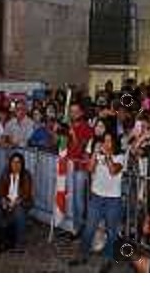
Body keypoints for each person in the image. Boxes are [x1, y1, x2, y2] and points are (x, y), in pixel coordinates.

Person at [69, 132, 124, 272]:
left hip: (113, 200)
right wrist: (94, 154)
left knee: (111, 232)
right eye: (104, 141)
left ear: (114, 143)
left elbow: (113, 171)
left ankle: (108, 259)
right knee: (89, 228)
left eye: (109, 141)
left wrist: (107, 156)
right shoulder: (98, 155)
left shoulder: (120, 157)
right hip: (97, 197)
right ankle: (82, 255)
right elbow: (89, 168)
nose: (106, 144)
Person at [0, 152, 33, 251]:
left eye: (18, 162)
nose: (16, 165)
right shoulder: (5, 173)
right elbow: (1, 191)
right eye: (13, 162)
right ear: (10, 163)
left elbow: (26, 194)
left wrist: (14, 203)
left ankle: (20, 241)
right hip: (8, 200)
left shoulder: (26, 175)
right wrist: (4, 201)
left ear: (22, 164)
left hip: (21, 202)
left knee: (18, 211)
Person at [67, 102, 93, 237]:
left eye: (76, 111)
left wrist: (73, 135)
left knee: (79, 199)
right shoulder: (70, 126)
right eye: (71, 111)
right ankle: (73, 225)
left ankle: (80, 227)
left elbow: (82, 149)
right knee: (71, 198)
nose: (73, 114)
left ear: (81, 113)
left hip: (80, 168)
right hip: (69, 166)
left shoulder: (86, 128)